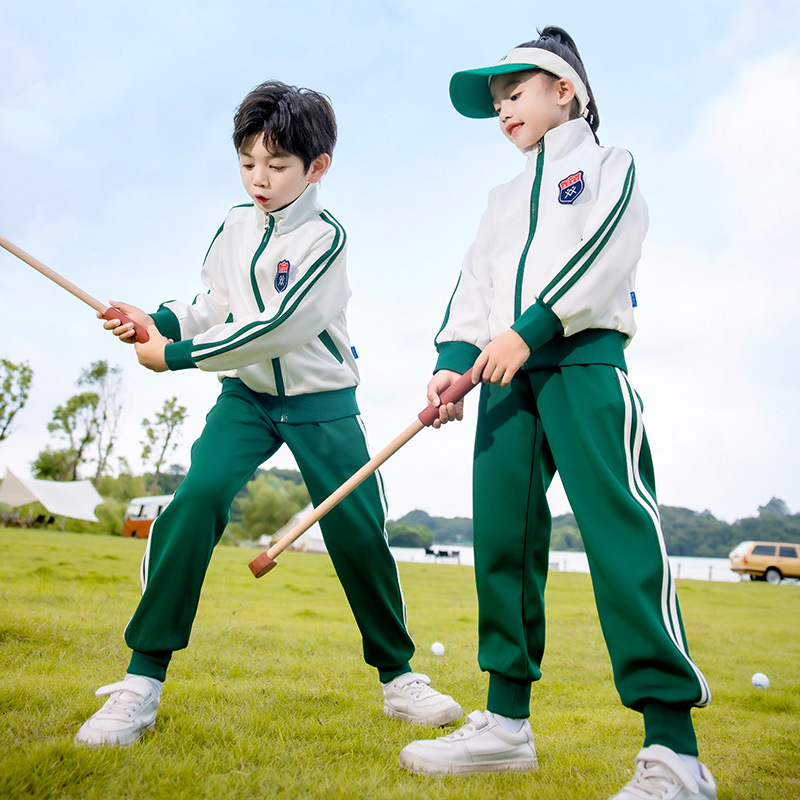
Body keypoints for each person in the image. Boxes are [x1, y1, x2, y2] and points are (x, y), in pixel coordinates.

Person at [75, 80, 462, 747]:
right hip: (247, 400)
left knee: (360, 528)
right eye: (248, 162)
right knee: (194, 500)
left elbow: (274, 329)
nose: (259, 178)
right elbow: (213, 305)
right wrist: (155, 319)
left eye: (276, 165)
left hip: (321, 401)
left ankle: (399, 679)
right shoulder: (231, 225)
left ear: (317, 168)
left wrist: (175, 354)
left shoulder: (327, 240)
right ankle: (141, 681)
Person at [398, 28, 717, 800]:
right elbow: (475, 285)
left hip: (580, 360)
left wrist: (530, 329)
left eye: (515, 91)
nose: (503, 108)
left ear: (564, 90)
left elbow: (603, 250)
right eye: (496, 100)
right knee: (502, 540)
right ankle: (506, 726)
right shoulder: (501, 198)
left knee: (616, 535)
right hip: (503, 375)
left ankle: (674, 753)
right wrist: (452, 361)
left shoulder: (610, 166)